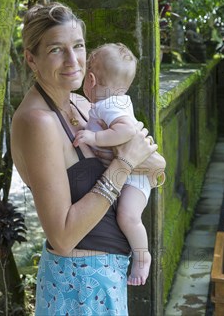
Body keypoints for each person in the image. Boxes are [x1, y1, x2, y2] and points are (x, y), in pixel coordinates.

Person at [11, 2, 162, 315]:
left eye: (78, 46)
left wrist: (139, 160)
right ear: (31, 59)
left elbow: (156, 164)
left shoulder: (81, 103)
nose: (73, 60)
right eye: (56, 49)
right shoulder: (38, 122)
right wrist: (124, 164)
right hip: (79, 284)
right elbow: (64, 237)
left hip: (106, 278)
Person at [73, 43, 166, 286]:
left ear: (90, 79)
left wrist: (94, 138)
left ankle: (142, 256)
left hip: (135, 177)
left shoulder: (110, 105)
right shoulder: (107, 104)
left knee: (128, 217)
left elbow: (125, 131)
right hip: (132, 171)